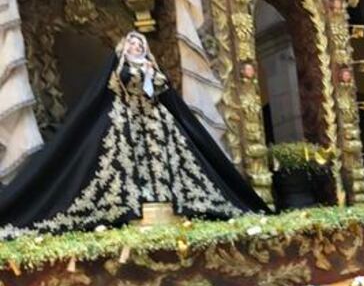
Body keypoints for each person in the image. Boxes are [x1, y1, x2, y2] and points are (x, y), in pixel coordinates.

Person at [0, 32, 267, 239]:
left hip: (156, 124)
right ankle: (133, 204)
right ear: (124, 48)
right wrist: (140, 75)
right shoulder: (121, 69)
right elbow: (122, 86)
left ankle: (168, 201)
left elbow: (162, 88)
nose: (136, 48)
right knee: (125, 162)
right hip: (126, 124)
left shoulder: (151, 67)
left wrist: (152, 74)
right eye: (132, 45)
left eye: (139, 45)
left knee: (167, 161)